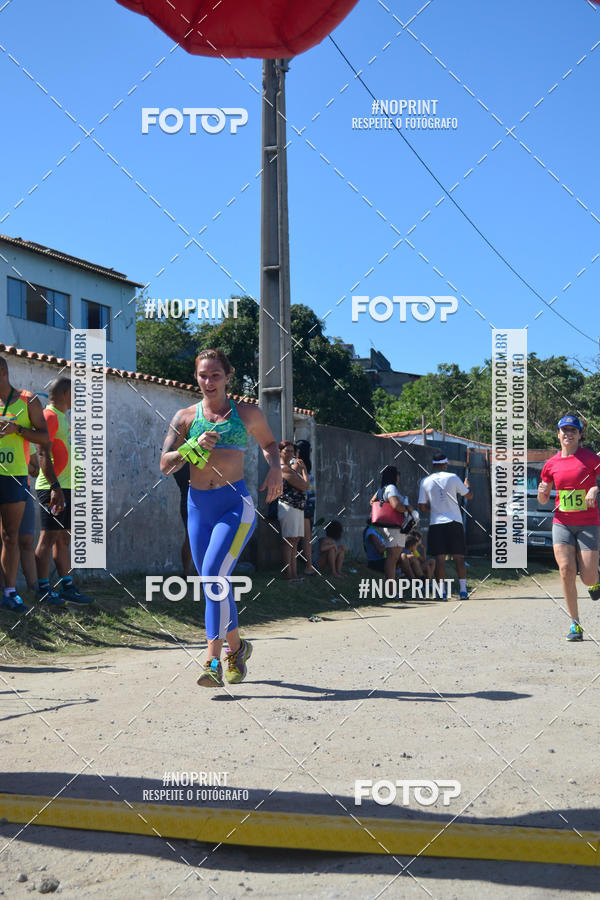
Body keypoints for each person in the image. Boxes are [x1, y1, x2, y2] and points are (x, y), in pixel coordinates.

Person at [160, 349, 282, 687]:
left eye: (215, 375)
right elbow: (165, 463)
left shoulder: (247, 414)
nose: (209, 381)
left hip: (235, 505)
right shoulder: (185, 417)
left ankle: (212, 660)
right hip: (199, 506)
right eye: (203, 375)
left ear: (229, 377)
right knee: (214, 582)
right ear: (196, 377)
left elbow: (270, 445)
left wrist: (275, 470)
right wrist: (192, 446)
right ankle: (238, 648)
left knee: (214, 576)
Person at [538, 415, 600, 642]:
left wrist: (595, 489)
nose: (568, 434)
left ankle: (596, 577)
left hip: (588, 523)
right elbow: (544, 499)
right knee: (565, 570)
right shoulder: (551, 464)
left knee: (588, 577)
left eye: (573, 430)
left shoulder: (591, 459)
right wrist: (542, 490)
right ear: (558, 434)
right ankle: (575, 624)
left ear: (580, 435)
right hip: (562, 522)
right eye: (564, 430)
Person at [0, 356, 54, 612]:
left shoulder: (27, 399)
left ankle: (10, 593)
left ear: (2, 372)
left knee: (10, 537)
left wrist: (17, 430)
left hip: (13, 476)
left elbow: (44, 437)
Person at [35, 377, 94, 606]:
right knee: (48, 537)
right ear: (67, 393)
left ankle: (67, 586)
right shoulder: (49, 416)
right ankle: (42, 589)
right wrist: (54, 487)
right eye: (76, 393)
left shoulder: (62, 417)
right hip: (53, 488)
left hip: (67, 488)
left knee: (64, 539)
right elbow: (43, 454)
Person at [418, 452, 472, 600]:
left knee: (439, 559)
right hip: (454, 522)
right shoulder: (453, 477)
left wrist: (435, 508)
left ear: (434, 465)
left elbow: (422, 506)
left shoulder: (425, 481)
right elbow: (469, 495)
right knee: (459, 558)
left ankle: (441, 593)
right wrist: (467, 486)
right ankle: (463, 591)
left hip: (436, 524)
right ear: (445, 464)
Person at [278, 441, 310, 582]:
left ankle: (294, 573)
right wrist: (303, 470)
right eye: (287, 451)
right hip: (288, 506)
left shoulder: (290, 468)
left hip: (297, 507)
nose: (290, 454)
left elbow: (304, 485)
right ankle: (288, 574)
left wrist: (300, 469)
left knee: (295, 540)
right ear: (280, 452)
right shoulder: (283, 468)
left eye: (292, 451)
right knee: (289, 540)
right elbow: (304, 485)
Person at [369, 465, 406, 581]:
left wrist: (383, 507)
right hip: (394, 526)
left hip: (387, 526)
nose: (399, 477)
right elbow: (396, 506)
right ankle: (391, 589)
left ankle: (391, 587)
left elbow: (372, 501)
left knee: (393, 557)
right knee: (392, 558)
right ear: (394, 476)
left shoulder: (382, 489)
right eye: (398, 474)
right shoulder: (391, 488)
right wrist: (407, 508)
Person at [295, 439, 317, 576]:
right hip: (304, 505)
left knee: (301, 537)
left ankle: (304, 565)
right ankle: (308, 566)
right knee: (305, 538)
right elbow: (306, 487)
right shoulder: (299, 466)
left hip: (307, 504)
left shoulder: (304, 466)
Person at [172, 461, 195, 576]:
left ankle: (187, 573)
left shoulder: (177, 459)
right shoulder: (186, 460)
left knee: (190, 538)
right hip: (193, 501)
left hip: (187, 501)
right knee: (193, 539)